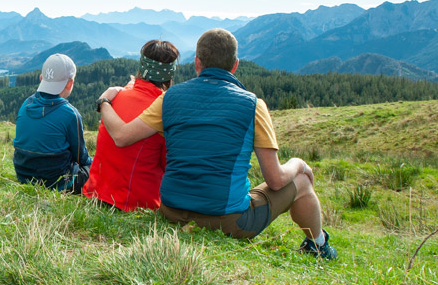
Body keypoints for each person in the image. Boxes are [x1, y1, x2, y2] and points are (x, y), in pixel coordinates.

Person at [98, 29, 337, 259]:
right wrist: (298, 164)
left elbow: (121, 136)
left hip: (171, 212)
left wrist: (105, 102)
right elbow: (275, 179)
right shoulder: (254, 105)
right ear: (235, 65)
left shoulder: (169, 98)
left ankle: (316, 244)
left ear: (197, 63)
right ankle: (318, 245)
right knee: (302, 182)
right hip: (227, 221)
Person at [83, 40, 178, 211]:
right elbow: (168, 164)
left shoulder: (116, 96)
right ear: (169, 74)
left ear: (141, 67)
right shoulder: (164, 109)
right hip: (136, 202)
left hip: (96, 192)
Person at [12, 53, 91, 194]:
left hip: (23, 176)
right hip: (57, 182)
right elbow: (81, 158)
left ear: (41, 78)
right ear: (70, 83)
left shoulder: (26, 104)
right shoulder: (70, 114)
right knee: (97, 168)